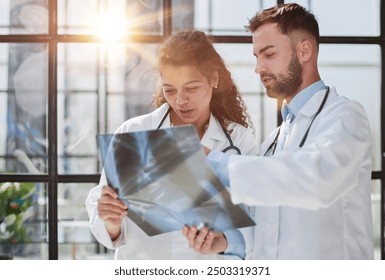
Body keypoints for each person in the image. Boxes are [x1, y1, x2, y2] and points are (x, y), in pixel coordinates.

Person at [183, 3, 374, 259]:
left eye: (269, 54)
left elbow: (317, 179)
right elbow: (267, 227)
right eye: (256, 57)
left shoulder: (346, 116)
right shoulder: (273, 140)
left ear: (304, 51)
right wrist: (226, 241)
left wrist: (212, 162)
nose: (258, 68)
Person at [85, 30, 258, 259]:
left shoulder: (240, 140)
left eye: (191, 88)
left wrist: (223, 240)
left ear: (214, 79)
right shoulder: (133, 133)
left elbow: (256, 221)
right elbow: (109, 225)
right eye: (170, 90)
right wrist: (111, 221)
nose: (180, 100)